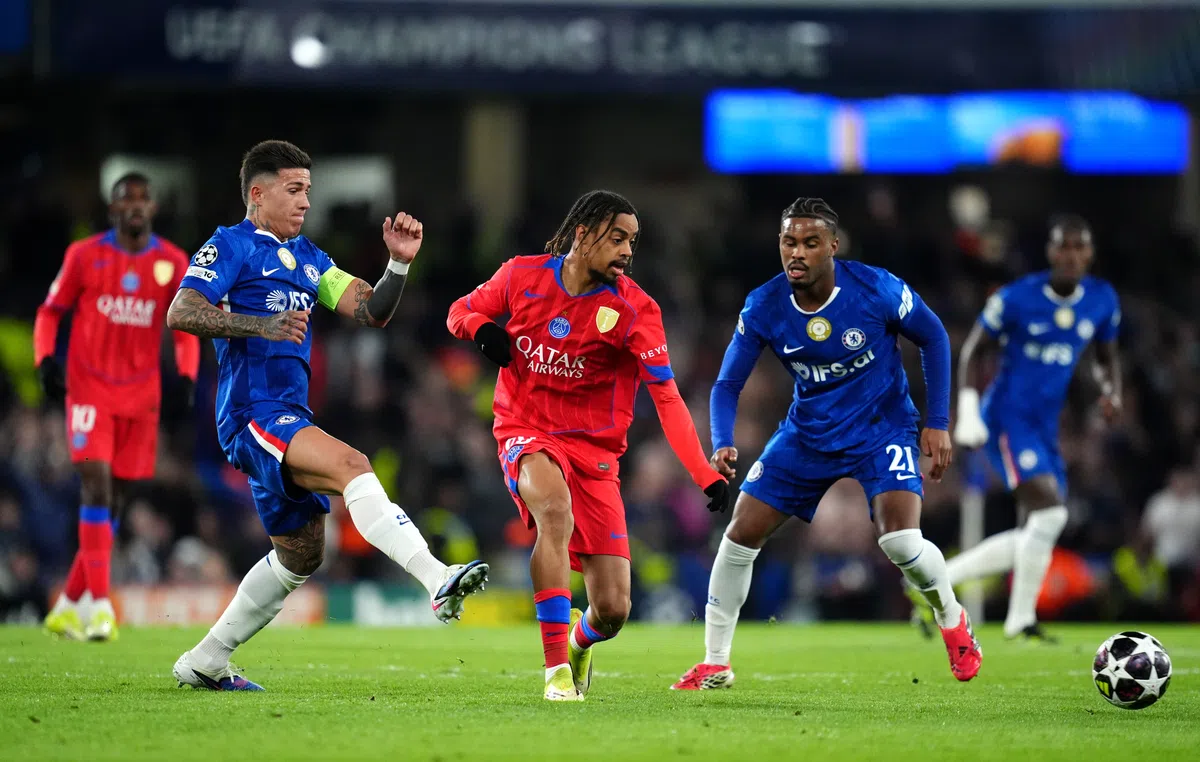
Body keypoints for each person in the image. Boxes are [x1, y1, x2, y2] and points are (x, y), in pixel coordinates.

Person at [166, 140, 488, 691]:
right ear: (257, 193)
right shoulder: (230, 246)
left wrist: (398, 264)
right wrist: (259, 325)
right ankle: (437, 577)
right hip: (252, 412)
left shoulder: (310, 258)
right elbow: (182, 310)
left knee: (301, 555)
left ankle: (205, 660)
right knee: (352, 464)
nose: (305, 202)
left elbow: (370, 310)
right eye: (294, 190)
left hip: (288, 414)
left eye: (308, 190)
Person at [672, 197, 981, 691]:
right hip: (807, 435)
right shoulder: (764, 304)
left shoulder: (876, 288)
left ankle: (951, 617)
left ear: (833, 246)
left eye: (810, 243)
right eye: (788, 242)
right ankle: (715, 662)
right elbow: (727, 384)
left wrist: (939, 422)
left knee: (900, 541)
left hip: (882, 428)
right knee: (738, 535)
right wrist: (723, 440)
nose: (797, 252)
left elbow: (935, 337)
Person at [447, 190, 730, 701]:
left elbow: (667, 397)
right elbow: (459, 310)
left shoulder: (635, 310)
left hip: (596, 456)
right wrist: (482, 328)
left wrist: (701, 472)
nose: (627, 251)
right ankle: (556, 670)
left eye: (632, 241)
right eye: (617, 238)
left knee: (614, 610)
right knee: (554, 510)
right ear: (582, 233)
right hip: (526, 429)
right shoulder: (521, 276)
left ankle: (579, 643)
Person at [35, 173, 199, 642]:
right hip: (89, 390)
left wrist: (187, 374)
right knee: (96, 484)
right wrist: (44, 359)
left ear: (153, 208)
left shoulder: (171, 262)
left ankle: (68, 604)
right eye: (127, 200)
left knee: (116, 500)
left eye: (143, 199)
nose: (136, 206)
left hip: (140, 397)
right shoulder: (84, 255)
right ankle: (101, 605)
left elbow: (185, 324)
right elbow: (50, 311)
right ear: (113, 209)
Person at [945, 214, 1121, 642]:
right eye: (1064, 246)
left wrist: (1110, 391)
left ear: (1090, 253)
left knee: (1040, 528)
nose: (1071, 255)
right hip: (1007, 418)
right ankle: (1017, 617)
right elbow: (972, 351)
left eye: (1079, 247)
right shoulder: (1017, 298)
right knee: (1051, 512)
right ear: (1051, 252)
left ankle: (943, 579)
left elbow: (1105, 354)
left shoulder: (1101, 299)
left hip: (1045, 426)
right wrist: (967, 412)